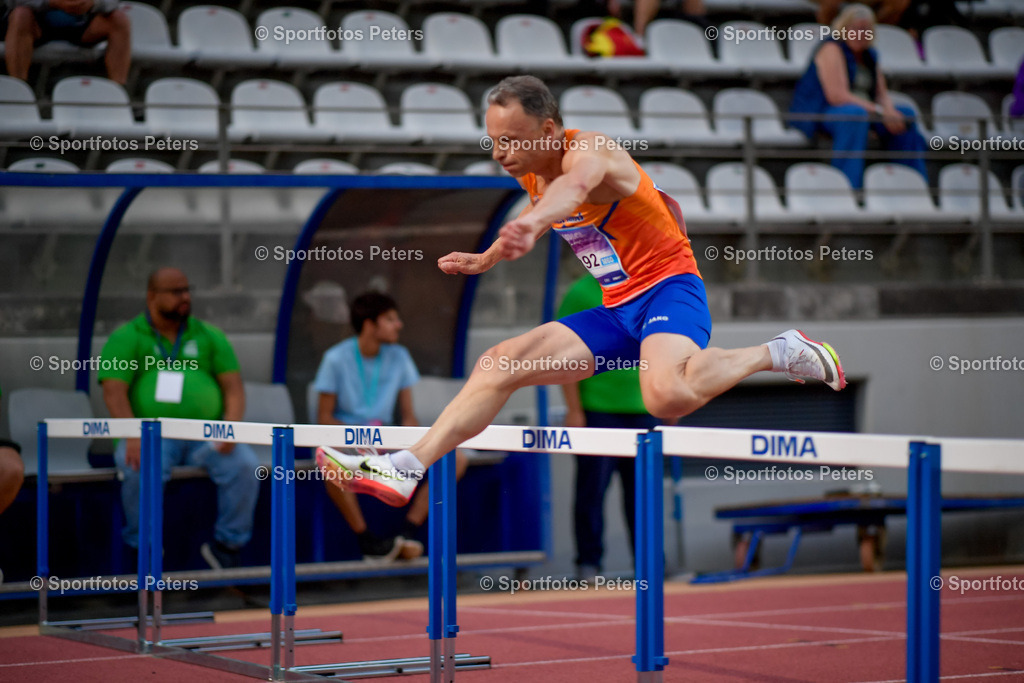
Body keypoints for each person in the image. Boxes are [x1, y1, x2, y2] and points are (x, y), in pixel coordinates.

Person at [317, 75, 846, 508]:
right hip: (616, 309)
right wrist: (489, 255)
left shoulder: (593, 152)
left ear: (550, 130)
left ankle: (778, 351)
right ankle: (405, 468)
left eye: (514, 140)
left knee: (664, 396)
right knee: (499, 363)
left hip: (668, 289)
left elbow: (571, 190)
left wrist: (535, 222)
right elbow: (540, 207)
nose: (502, 153)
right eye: (494, 141)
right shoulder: (531, 169)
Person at [99, 268, 259, 570]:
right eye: (175, 292)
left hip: (205, 434)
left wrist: (231, 426)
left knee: (246, 465)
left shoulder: (208, 334)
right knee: (140, 467)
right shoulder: (126, 337)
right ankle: (143, 552)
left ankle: (227, 547)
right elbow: (113, 392)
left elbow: (234, 388)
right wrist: (132, 433)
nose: (184, 297)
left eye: (187, 290)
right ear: (152, 296)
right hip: (151, 435)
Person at [313, 291, 467, 562]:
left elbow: (409, 415)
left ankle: (407, 532)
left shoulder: (399, 355)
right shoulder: (335, 358)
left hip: (386, 434)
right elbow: (324, 417)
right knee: (329, 461)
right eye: (390, 319)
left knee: (456, 458)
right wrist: (357, 437)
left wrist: (411, 439)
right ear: (370, 325)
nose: (399, 325)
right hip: (348, 436)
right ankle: (367, 541)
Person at [559, 275, 660, 580]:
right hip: (598, 411)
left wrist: (668, 398)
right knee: (592, 492)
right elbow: (565, 355)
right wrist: (574, 410)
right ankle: (588, 564)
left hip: (644, 410)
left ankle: (652, 565)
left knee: (644, 493)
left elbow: (663, 344)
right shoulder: (580, 292)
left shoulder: (648, 287)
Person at [789, 4, 928, 190]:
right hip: (822, 110)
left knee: (905, 115)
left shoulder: (870, 54)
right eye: (856, 29)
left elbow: (881, 94)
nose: (861, 34)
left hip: (864, 110)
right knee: (854, 115)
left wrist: (889, 111)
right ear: (843, 29)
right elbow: (837, 96)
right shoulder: (831, 48)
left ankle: (913, 187)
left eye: (866, 30)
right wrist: (879, 111)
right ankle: (847, 188)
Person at [4, 0, 131, 85]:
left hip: (81, 23)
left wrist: (94, 3)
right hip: (37, 23)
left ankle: (118, 89)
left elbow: (113, 3)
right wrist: (52, 2)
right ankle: (19, 87)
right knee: (20, 14)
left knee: (119, 19)